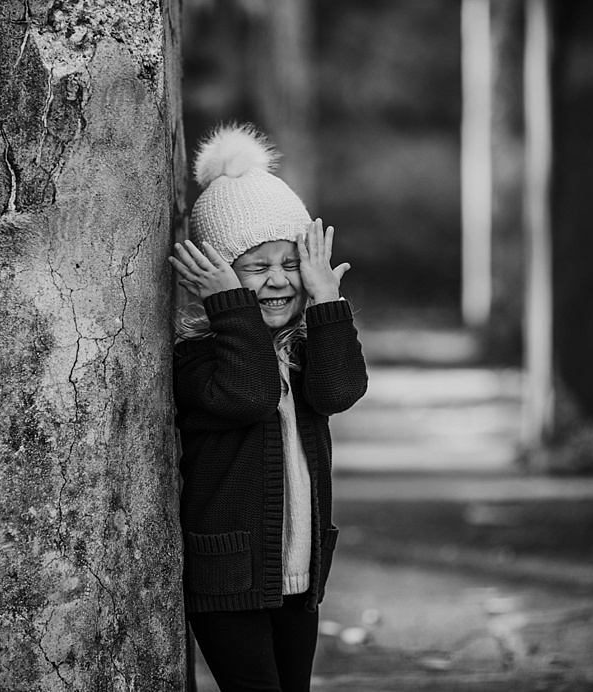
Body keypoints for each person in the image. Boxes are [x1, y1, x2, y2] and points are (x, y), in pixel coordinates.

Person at [169, 123, 367, 692]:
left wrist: (327, 300)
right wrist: (231, 309)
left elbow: (339, 392)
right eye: (256, 268)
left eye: (290, 264)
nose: (278, 281)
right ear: (220, 281)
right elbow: (249, 394)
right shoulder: (198, 357)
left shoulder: (305, 350)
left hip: (300, 574)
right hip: (228, 576)